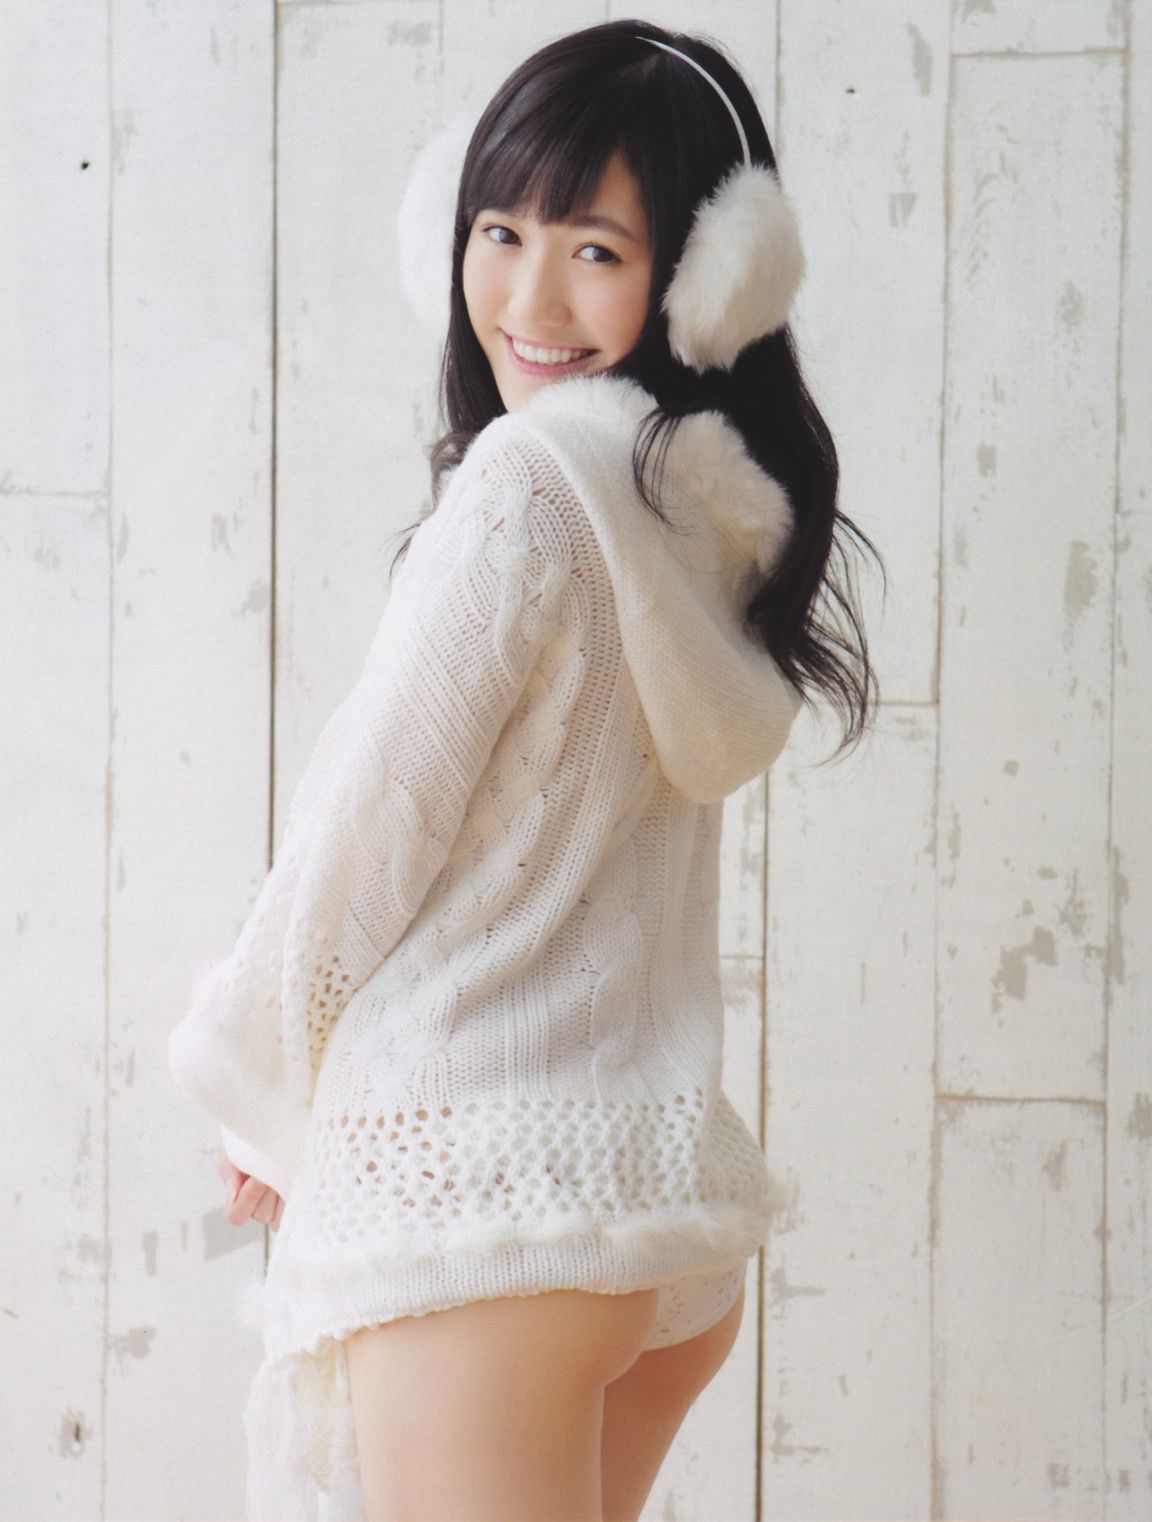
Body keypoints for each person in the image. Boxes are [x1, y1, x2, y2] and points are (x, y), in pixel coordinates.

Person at [169, 17, 882, 1522]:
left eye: (596, 251)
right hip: (651, 1212)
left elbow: (369, 829)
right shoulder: (699, 519)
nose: (530, 298)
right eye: (500, 233)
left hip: (479, 1214)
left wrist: (255, 1094)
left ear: (704, 280)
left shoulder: (530, 491)